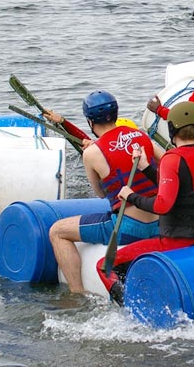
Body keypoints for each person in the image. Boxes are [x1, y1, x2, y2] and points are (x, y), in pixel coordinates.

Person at [98, 101, 194, 304]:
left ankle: (133, 310)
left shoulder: (171, 158)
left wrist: (131, 197)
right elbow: (184, 186)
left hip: (179, 241)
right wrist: (146, 168)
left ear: (172, 128)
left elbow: (162, 205)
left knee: (105, 265)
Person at [48, 90, 161, 295]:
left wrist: (90, 155)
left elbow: (101, 194)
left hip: (127, 228)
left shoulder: (92, 152)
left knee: (57, 231)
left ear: (90, 122)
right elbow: (171, 165)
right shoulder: (142, 137)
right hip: (161, 223)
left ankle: (76, 293)